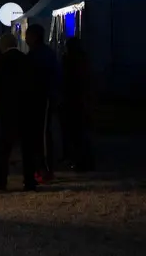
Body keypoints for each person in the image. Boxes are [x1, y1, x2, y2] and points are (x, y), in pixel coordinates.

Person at [0, 34, 38, 191]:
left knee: (4, 146)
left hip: (7, 108)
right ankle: (29, 180)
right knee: (27, 147)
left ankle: (1, 180)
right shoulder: (26, 59)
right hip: (26, 107)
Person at [25, 23, 61, 183]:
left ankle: (44, 169)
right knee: (39, 135)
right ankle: (41, 168)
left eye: (28, 35)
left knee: (42, 135)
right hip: (40, 98)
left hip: (42, 98)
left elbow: (49, 78)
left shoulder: (40, 55)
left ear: (34, 37)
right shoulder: (43, 53)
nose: (25, 38)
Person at [61, 37, 95, 171]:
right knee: (83, 133)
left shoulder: (69, 60)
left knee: (75, 134)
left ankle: (79, 161)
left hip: (73, 100)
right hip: (82, 100)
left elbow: (67, 81)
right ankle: (86, 161)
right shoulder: (84, 60)